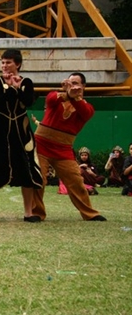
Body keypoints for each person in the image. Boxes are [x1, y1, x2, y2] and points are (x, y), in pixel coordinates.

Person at [31, 73, 106, 221]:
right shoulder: (55, 96)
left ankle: (90, 213)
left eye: (76, 83)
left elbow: (85, 113)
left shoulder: (87, 107)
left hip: (63, 149)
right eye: (70, 82)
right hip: (41, 145)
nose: (73, 86)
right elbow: (50, 99)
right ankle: (36, 213)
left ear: (84, 86)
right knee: (39, 178)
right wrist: (67, 94)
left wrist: (73, 97)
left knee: (76, 180)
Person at [0, 49, 43, 222]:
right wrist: (11, 90)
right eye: (2, 62)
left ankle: (28, 213)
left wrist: (17, 88)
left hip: (21, 130)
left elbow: (28, 101)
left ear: (18, 64)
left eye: (8, 62)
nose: (5, 66)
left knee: (27, 167)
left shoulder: (27, 82)